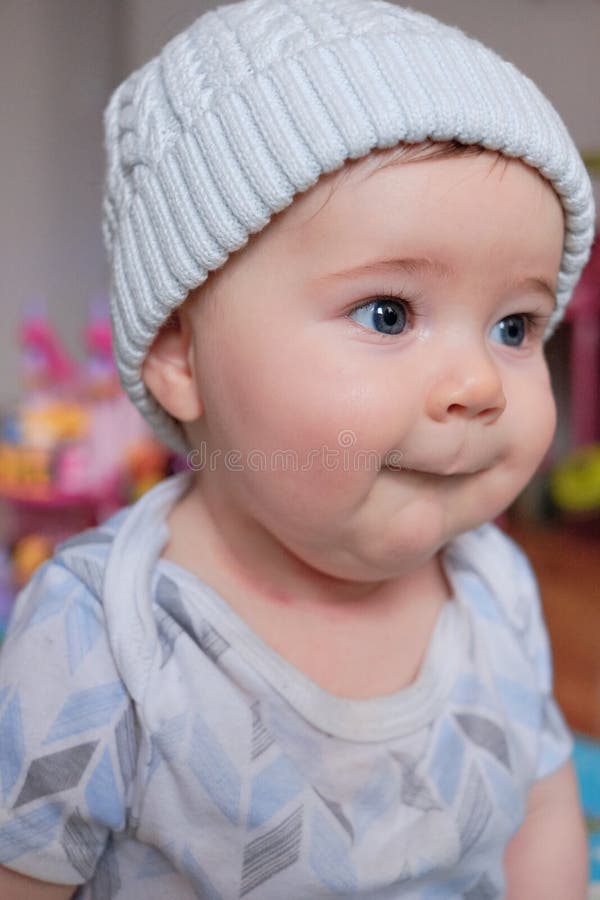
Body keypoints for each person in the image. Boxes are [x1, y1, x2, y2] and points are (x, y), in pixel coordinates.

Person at [0, 0, 595, 897]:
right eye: (388, 314)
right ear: (180, 354)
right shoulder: (100, 640)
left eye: (516, 325)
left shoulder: (496, 589)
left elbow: (543, 808)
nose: (480, 381)